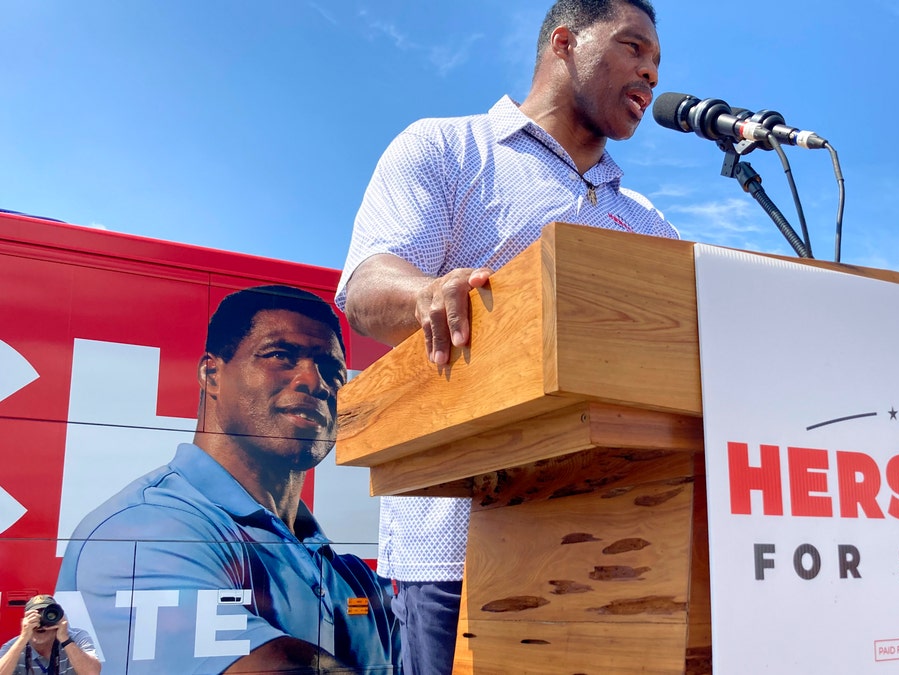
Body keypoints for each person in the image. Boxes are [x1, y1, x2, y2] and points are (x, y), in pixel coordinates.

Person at [336, 1, 672, 672]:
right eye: (634, 48)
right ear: (565, 42)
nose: (651, 73)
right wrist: (428, 293)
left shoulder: (647, 221)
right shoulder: (447, 149)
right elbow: (367, 285)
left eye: (658, 62)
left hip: (614, 554)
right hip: (455, 553)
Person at [56, 286, 399, 674]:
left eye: (332, 370)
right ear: (211, 374)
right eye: (280, 356)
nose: (315, 382)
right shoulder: (134, 534)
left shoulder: (352, 576)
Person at [0, 595, 101, 675]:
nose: (40, 624)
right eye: (35, 617)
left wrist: (65, 639)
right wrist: (23, 638)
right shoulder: (14, 646)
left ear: (58, 618)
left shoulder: (76, 638)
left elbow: (92, 673)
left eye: (47, 616)